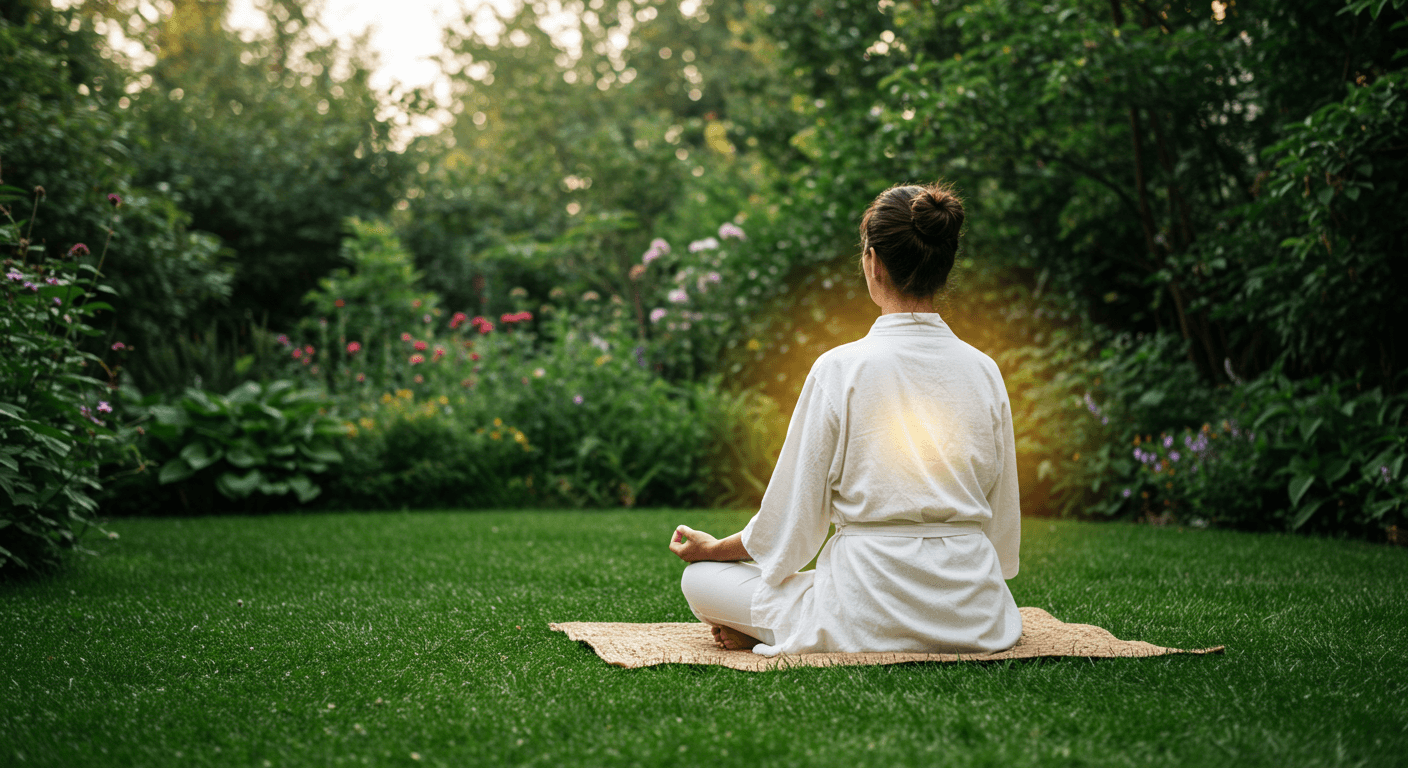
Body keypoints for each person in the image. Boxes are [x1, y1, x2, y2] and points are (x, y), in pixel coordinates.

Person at [668, 182, 1022, 656]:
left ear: (873, 262)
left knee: (703, 580)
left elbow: (790, 524)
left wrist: (712, 551)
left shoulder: (840, 368)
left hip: (864, 610)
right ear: (945, 265)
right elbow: (1001, 526)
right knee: (806, 577)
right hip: (973, 616)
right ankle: (787, 623)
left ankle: (775, 628)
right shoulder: (985, 370)